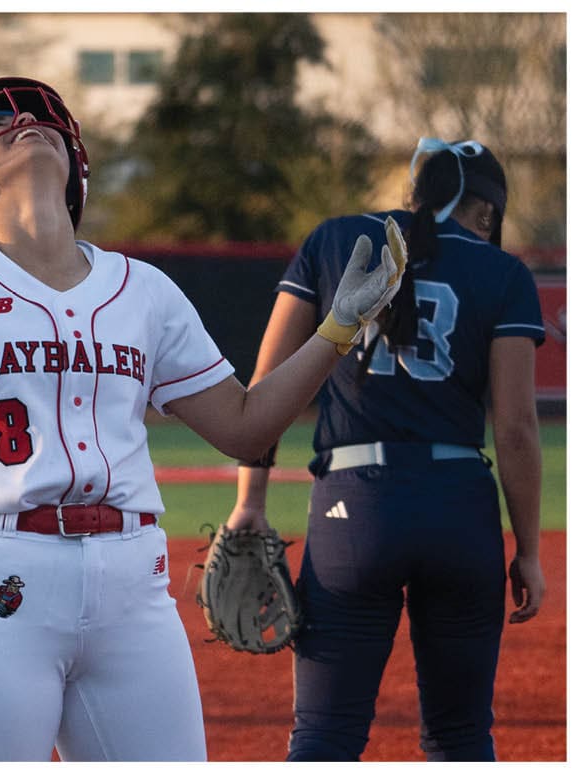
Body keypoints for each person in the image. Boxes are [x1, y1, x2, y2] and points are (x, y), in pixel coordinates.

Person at [0, 76, 404, 761]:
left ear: (77, 164)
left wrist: (338, 327)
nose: (25, 121)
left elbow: (245, 426)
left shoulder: (145, 289)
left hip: (133, 580)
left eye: (41, 115)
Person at [225, 138, 546, 761]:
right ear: (485, 212)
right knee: (460, 738)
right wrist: (529, 550)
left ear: (413, 193)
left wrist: (250, 501)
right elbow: (515, 429)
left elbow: (267, 384)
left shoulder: (335, 238)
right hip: (459, 508)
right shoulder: (503, 273)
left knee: (325, 735)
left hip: (355, 506)